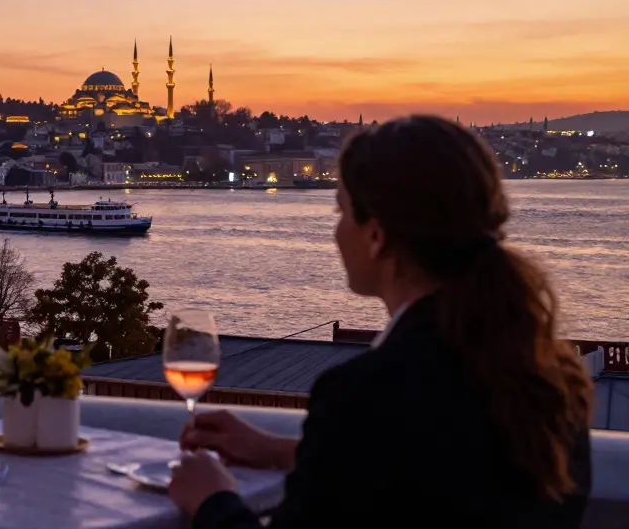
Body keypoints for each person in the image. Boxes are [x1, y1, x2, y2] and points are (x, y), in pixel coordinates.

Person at [170, 115, 593, 528]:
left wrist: (212, 500)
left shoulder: (362, 395)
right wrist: (278, 450)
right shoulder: (554, 383)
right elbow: (435, 473)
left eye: (342, 212)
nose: (336, 233)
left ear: (376, 236)